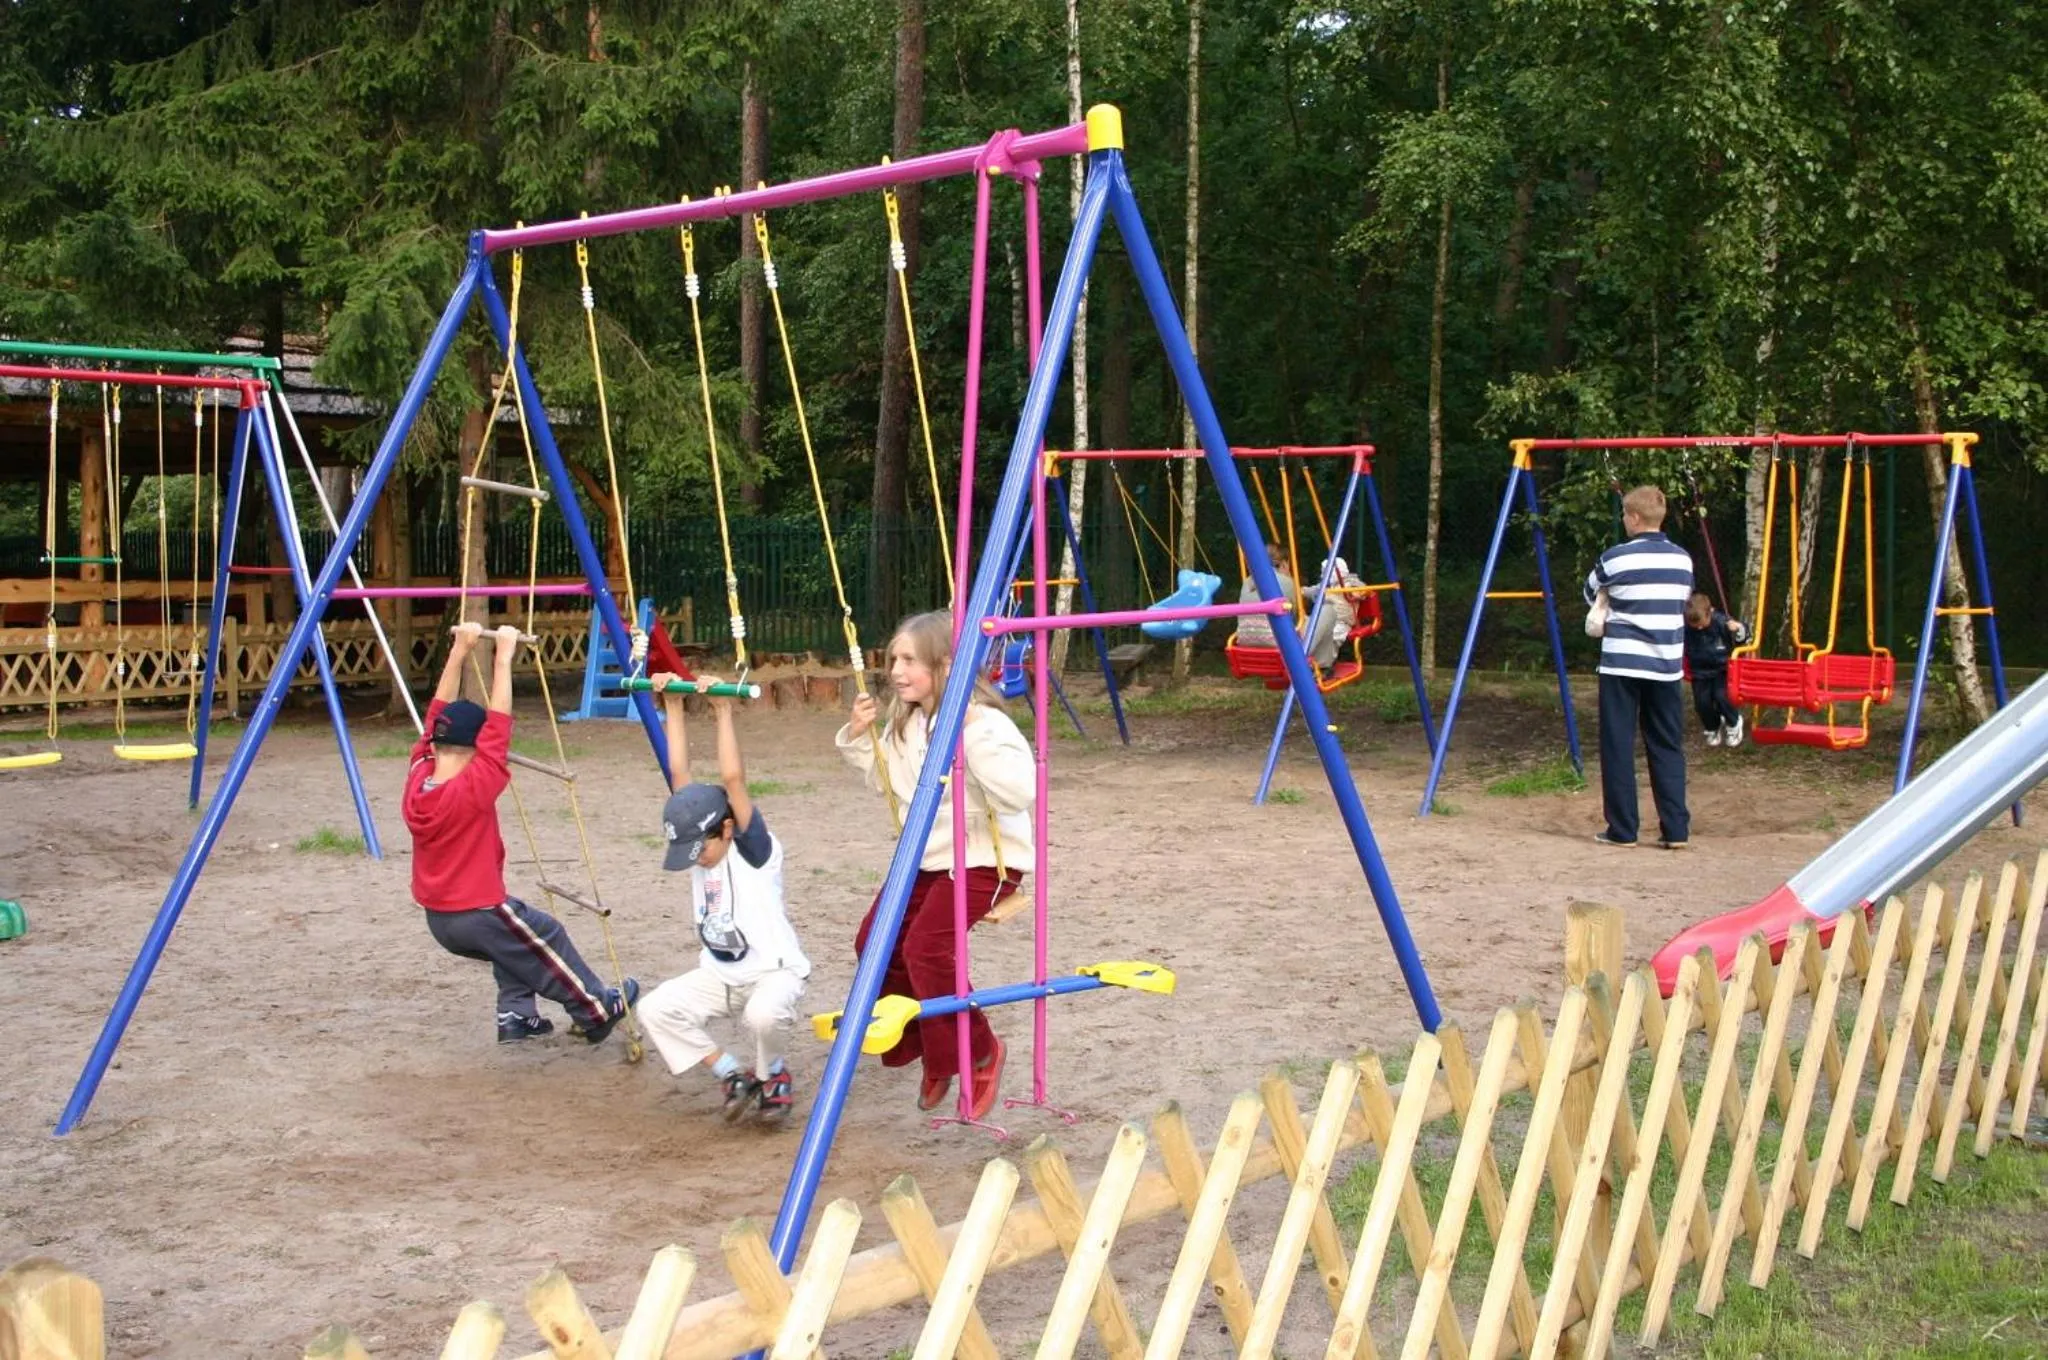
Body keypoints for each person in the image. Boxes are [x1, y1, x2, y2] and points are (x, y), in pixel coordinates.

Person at [836, 610, 1034, 1121]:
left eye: (909, 661)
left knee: (926, 949)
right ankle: (929, 1044)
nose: (896, 671)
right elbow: (891, 786)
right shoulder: (910, 723)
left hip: (986, 860)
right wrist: (862, 738)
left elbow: (1018, 794)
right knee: (873, 941)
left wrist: (967, 734)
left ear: (945, 666)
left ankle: (980, 1050)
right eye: (893, 660)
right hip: (927, 861)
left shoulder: (987, 725)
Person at [404, 620, 637, 1044]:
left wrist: (460, 651)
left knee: (510, 939)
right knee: (544, 934)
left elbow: (433, 717)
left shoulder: (419, 776)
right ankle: (597, 1008)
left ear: (435, 744)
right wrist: (505, 657)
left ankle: (517, 1015)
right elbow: (499, 726)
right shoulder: (474, 786)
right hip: (476, 912)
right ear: (475, 748)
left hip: (438, 919)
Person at [635, 671, 809, 1124]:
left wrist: (722, 709)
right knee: (654, 1008)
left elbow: (732, 778)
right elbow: (679, 776)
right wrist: (672, 705)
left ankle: (773, 1074)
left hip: (773, 975)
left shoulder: (753, 851)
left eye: (703, 848)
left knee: (764, 1015)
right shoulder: (702, 844)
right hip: (719, 976)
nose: (698, 859)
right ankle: (733, 1074)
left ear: (727, 829)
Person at [1585, 485, 1695, 849]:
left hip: (1622, 663)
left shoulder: (1615, 558)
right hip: (1666, 664)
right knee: (1666, 744)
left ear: (1633, 518)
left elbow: (1591, 592)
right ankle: (1676, 829)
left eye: (1624, 515)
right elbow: (1683, 598)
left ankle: (1623, 829)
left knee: (1618, 744)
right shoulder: (1682, 559)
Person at [1683, 592, 1749, 748]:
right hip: (1700, 670)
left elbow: (1742, 638)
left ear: (1710, 612)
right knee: (1702, 703)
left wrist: (1738, 629)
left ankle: (1734, 723)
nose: (1698, 628)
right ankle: (1712, 726)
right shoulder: (1687, 627)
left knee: (1722, 696)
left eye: (1701, 623)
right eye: (1695, 626)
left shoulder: (1721, 622)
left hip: (1723, 668)